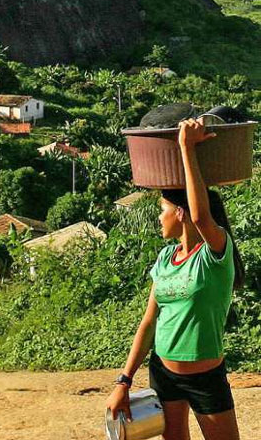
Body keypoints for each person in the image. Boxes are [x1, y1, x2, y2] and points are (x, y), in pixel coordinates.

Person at [106, 118, 245, 440]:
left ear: (179, 213)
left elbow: (200, 216)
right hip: (164, 372)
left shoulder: (215, 254)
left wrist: (186, 146)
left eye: (162, 209)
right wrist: (123, 382)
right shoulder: (166, 258)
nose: (159, 217)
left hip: (206, 376)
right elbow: (149, 322)